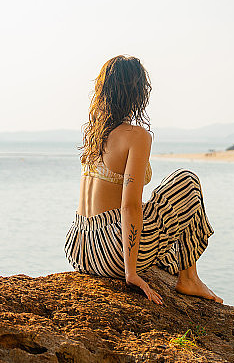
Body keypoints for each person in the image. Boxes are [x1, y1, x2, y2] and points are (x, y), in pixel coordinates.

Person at [64, 55, 222, 304]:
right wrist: (131, 273)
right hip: (111, 252)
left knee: (161, 235)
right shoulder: (136, 136)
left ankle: (178, 271)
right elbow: (129, 206)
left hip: (80, 248)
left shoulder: (95, 134)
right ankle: (189, 278)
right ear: (138, 93)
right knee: (185, 181)